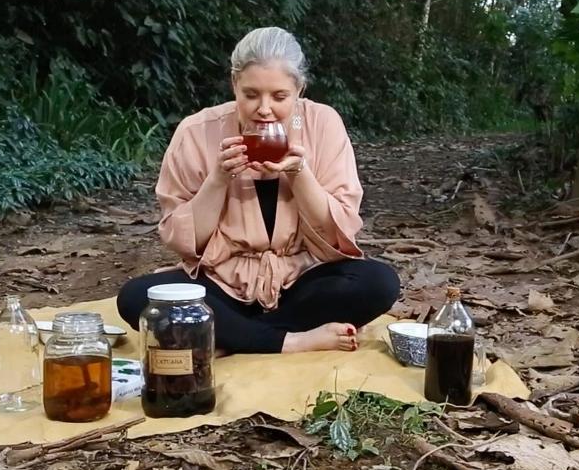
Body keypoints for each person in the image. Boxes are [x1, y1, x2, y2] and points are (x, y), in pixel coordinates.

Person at [117, 27, 400, 354]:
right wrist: (219, 178)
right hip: (223, 285)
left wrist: (299, 174)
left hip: (299, 284)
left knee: (379, 283)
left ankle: (229, 336)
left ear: (299, 89)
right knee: (138, 297)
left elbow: (338, 233)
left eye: (279, 97)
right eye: (251, 95)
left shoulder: (322, 124)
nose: (264, 109)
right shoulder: (196, 132)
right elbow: (185, 243)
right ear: (234, 84)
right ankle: (291, 341)